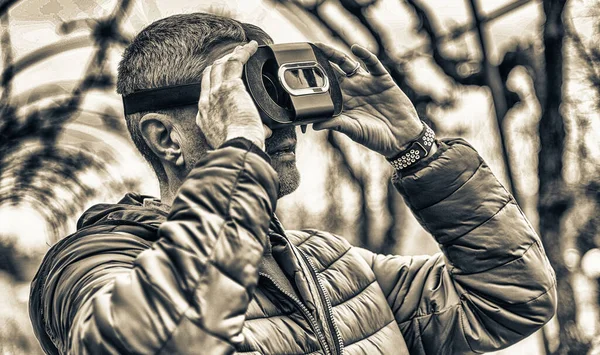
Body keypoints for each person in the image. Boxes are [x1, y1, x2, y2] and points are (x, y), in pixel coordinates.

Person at [29, 12, 557, 355]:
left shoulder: (334, 266)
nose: (282, 122)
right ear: (166, 137)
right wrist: (241, 146)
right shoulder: (88, 267)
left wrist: (414, 147)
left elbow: (513, 298)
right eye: (244, 99)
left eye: (275, 93)